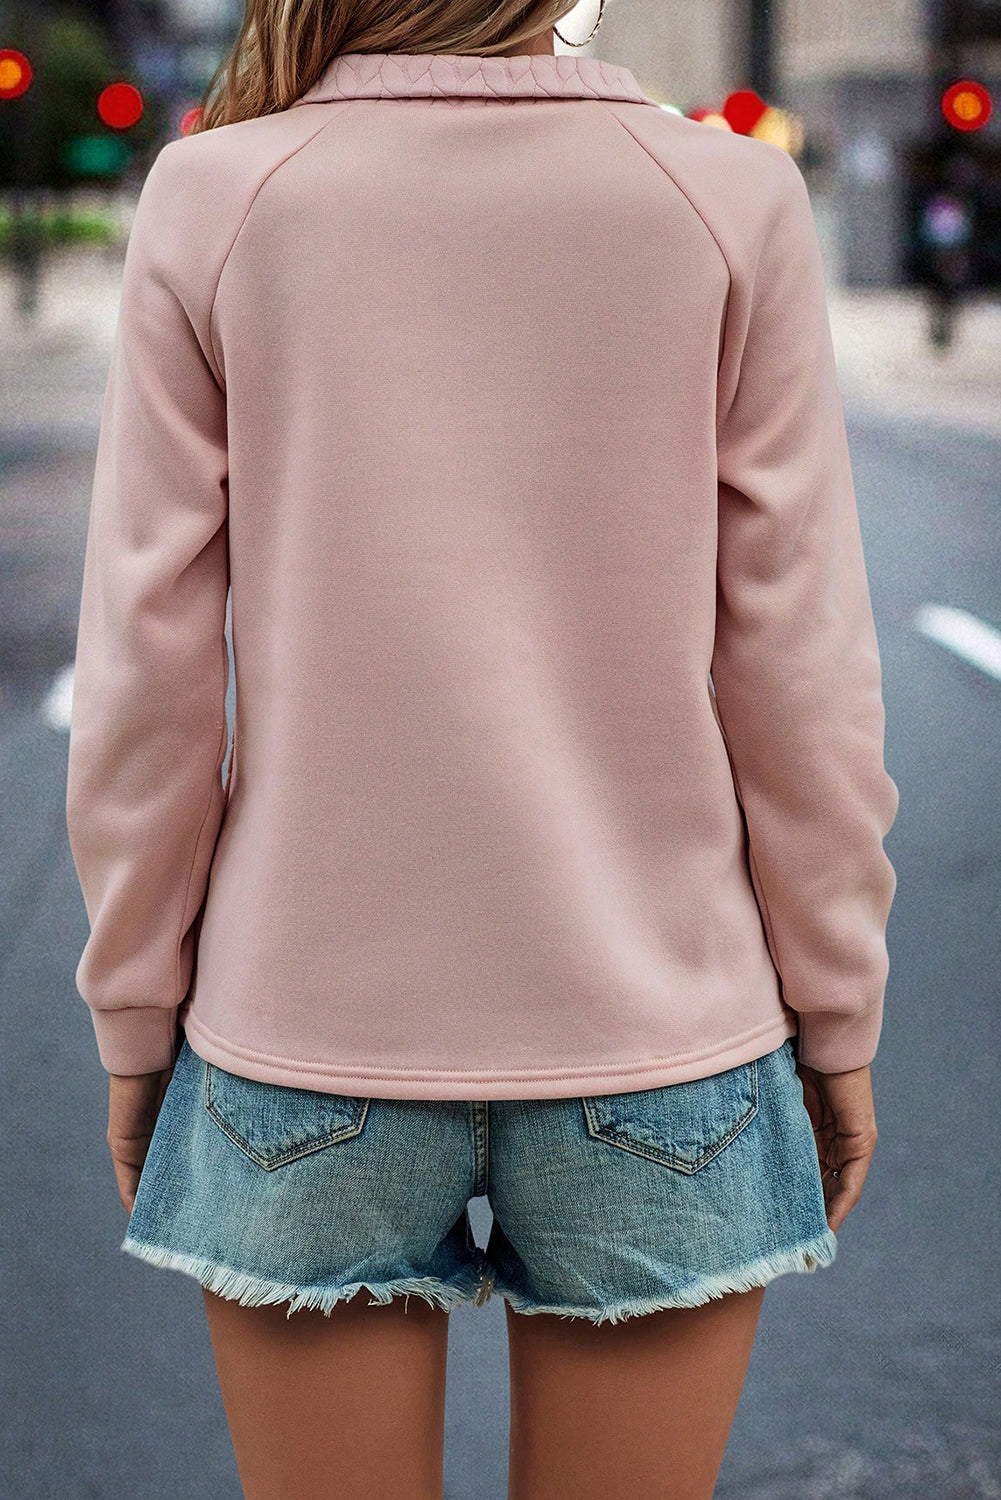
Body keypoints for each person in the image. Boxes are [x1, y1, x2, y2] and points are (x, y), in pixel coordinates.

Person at [65, 1, 899, 1495]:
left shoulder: (219, 193)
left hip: (301, 1032)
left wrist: (137, 1019)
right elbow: (801, 678)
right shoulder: (723, 198)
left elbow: (147, 685)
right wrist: (834, 1012)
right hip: (662, 1034)